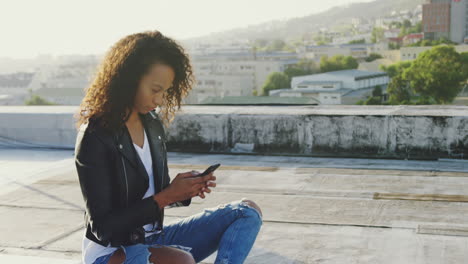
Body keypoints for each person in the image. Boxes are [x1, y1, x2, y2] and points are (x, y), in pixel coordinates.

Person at [73, 30, 263, 264]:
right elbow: (103, 228)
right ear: (129, 79)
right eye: (155, 90)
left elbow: (154, 192)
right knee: (181, 261)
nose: (160, 100)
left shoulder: (152, 125)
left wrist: (183, 190)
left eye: (165, 91)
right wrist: (165, 197)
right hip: (111, 250)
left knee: (247, 212)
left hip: (154, 239)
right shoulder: (96, 136)